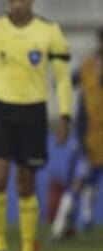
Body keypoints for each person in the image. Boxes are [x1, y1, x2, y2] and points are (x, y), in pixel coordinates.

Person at [0, 0, 72, 251]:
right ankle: (0, 248)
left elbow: (61, 79)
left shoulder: (49, 32)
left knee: (26, 182)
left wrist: (65, 115)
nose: (18, 4)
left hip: (33, 113)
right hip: (0, 111)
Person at [51, 28, 103, 240]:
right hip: (87, 135)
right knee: (80, 179)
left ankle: (87, 218)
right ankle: (60, 224)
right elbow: (66, 82)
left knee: (91, 179)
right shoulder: (88, 66)